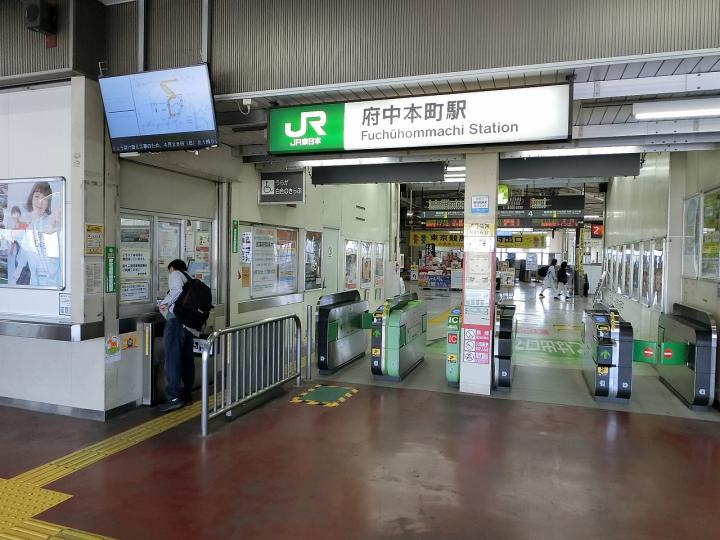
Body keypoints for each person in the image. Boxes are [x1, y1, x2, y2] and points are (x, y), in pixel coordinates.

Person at [158, 259, 199, 412]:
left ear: (172, 268)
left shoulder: (175, 274)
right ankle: (186, 395)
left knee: (172, 359)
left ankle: (174, 397)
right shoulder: (189, 277)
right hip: (188, 324)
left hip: (176, 322)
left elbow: (177, 291)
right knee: (187, 359)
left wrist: (164, 303)